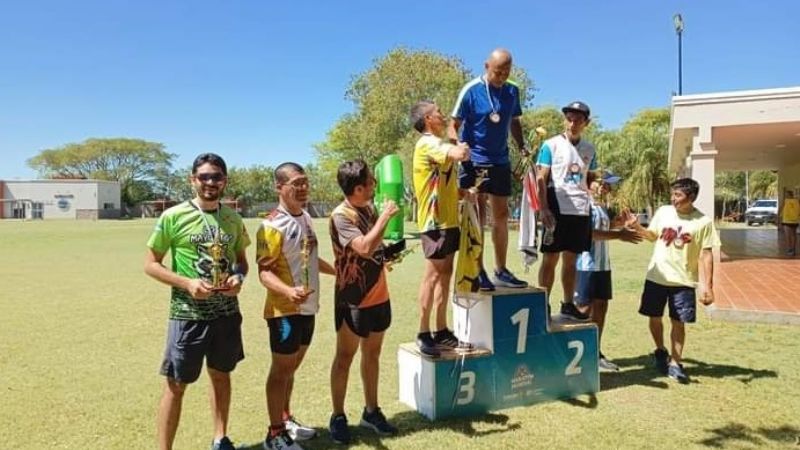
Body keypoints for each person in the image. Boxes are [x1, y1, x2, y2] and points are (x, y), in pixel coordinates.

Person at [144, 153, 250, 450]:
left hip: (226, 313)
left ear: (224, 181)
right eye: (204, 176)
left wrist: (238, 279)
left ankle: (220, 438)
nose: (210, 182)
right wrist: (187, 283)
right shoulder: (173, 216)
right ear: (193, 180)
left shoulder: (232, 218)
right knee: (176, 384)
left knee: (221, 375)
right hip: (187, 315)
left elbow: (241, 262)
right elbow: (151, 264)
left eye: (216, 176)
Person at [256, 162, 336, 450]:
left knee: (291, 369)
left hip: (308, 308)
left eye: (305, 182)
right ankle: (274, 434)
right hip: (284, 311)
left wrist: (339, 271)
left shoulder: (305, 217)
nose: (303, 188)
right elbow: (264, 272)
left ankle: (286, 419)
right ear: (280, 187)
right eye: (296, 183)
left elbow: (311, 259)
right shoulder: (271, 225)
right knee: (280, 370)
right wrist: (289, 291)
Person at [328, 159, 400, 445]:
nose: (374, 185)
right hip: (353, 299)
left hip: (379, 295)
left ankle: (371, 412)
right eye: (370, 182)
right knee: (345, 358)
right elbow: (363, 246)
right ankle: (337, 416)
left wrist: (389, 253)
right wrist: (385, 217)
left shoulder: (368, 208)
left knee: (373, 355)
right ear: (358, 188)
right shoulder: (340, 215)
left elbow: (375, 248)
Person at [448, 48, 529, 291]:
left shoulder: (512, 91)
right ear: (486, 66)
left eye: (506, 72)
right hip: (475, 160)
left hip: (500, 160)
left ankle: (501, 270)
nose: (501, 76)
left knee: (501, 216)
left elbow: (514, 121)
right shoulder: (471, 90)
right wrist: (458, 145)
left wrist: (522, 145)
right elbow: (453, 125)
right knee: (478, 218)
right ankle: (477, 269)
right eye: (497, 71)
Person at [626, 178, 718, 384]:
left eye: (678, 195)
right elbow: (651, 236)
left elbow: (706, 255)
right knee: (654, 317)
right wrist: (637, 227)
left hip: (683, 281)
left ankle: (676, 363)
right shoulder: (664, 212)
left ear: (691, 197)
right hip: (656, 277)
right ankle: (660, 350)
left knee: (679, 322)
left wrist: (707, 286)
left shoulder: (703, 222)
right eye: (673, 194)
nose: (673, 199)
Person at [410, 100, 471, 356]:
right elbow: (460, 154)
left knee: (445, 275)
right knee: (432, 276)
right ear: (427, 120)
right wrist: (458, 138)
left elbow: (447, 181)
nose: (442, 115)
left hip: (449, 221)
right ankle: (423, 332)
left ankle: (442, 329)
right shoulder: (428, 143)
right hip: (434, 223)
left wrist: (465, 192)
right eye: (437, 113)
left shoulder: (436, 144)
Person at [536, 101, 597, 321]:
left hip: (580, 209)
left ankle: (568, 303)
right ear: (565, 120)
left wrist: (596, 187)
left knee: (571, 260)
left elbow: (590, 177)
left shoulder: (590, 149)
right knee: (550, 258)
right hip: (556, 204)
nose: (573, 123)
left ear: (586, 123)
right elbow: (541, 178)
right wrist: (543, 208)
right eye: (569, 118)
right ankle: (542, 303)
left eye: (578, 119)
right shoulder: (550, 145)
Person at [573, 173, 641, 371]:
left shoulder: (601, 207)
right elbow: (589, 234)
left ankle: (595, 352)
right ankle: (577, 356)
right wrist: (619, 235)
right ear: (588, 183)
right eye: (601, 183)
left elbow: (604, 228)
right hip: (585, 266)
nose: (605, 188)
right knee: (583, 311)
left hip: (603, 266)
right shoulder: (582, 205)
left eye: (608, 185)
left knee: (601, 307)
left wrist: (619, 224)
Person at [780, 189, 799, 256]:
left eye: (786, 195)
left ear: (787, 195)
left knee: (788, 236)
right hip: (795, 220)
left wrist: (777, 217)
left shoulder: (785, 201)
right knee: (794, 235)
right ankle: (793, 250)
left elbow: (780, 208)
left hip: (787, 220)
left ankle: (789, 249)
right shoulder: (797, 200)